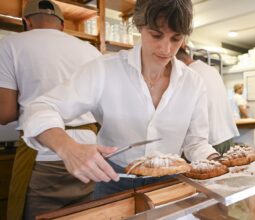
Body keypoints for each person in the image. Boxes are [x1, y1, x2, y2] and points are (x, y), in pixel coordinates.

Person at [21, 0, 220, 200]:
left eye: (176, 39)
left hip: (168, 182)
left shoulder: (193, 82)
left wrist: (221, 163)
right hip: (114, 180)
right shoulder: (105, 69)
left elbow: (196, 144)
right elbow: (39, 108)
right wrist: (68, 148)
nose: (166, 49)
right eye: (156, 35)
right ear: (140, 26)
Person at [0, 0, 102, 219]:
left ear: (26, 22)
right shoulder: (90, 50)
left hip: (44, 152)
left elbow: (5, 113)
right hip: (90, 152)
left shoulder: (10, 44)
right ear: (63, 25)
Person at [176, 47, 239, 154]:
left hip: (208, 143)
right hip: (227, 137)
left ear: (178, 62)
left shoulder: (188, 74)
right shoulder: (211, 70)